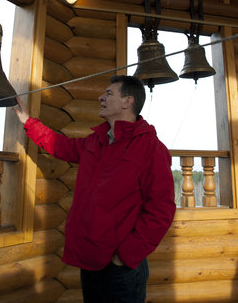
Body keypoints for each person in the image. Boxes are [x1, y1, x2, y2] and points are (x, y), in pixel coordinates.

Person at [14, 74, 176, 303]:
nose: (100, 97)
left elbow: (162, 210)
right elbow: (60, 146)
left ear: (127, 102)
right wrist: (28, 122)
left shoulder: (151, 149)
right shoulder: (96, 141)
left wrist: (125, 255)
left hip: (121, 269)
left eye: (109, 93)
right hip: (90, 261)